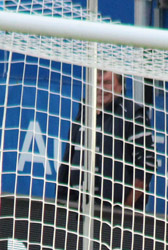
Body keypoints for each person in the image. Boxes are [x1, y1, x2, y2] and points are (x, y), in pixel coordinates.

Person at [56, 71, 156, 208]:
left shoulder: (132, 115)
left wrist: (126, 208)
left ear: (120, 87)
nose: (101, 88)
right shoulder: (82, 116)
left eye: (107, 83)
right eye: (97, 82)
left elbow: (147, 164)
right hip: (78, 213)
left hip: (116, 218)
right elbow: (67, 164)